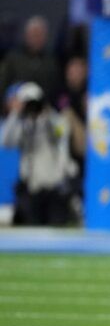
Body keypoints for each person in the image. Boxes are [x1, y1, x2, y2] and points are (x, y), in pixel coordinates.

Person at [0, 82, 75, 225]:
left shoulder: (51, 121)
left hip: (53, 188)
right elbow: (5, 141)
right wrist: (16, 113)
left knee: (56, 226)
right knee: (30, 226)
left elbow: (63, 131)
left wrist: (47, 111)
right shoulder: (22, 125)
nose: (32, 107)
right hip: (31, 188)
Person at [0, 16, 60, 104]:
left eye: (39, 35)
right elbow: (2, 85)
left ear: (45, 37)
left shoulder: (51, 61)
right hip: (16, 109)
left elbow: (56, 90)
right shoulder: (13, 58)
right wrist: (7, 102)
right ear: (26, 35)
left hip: (43, 110)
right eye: (34, 34)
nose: (36, 39)